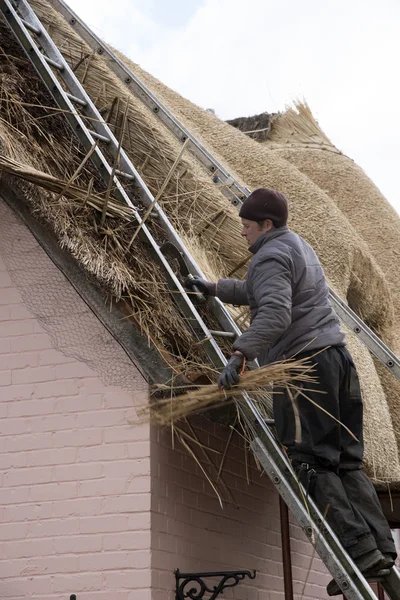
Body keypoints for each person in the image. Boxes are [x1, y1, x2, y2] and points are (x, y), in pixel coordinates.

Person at [185, 187, 397, 596]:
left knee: (311, 462)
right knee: (347, 464)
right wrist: (215, 288)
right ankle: (379, 550)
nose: (242, 232)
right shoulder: (295, 245)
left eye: (246, 225)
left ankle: (356, 552)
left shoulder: (269, 255)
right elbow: (260, 290)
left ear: (265, 225)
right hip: (338, 363)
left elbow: (276, 312)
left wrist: (239, 355)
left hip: (306, 370)